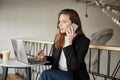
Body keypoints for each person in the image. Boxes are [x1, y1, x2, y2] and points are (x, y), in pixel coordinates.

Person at [37, 8, 90, 80]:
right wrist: (44, 58)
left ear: (74, 24)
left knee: (46, 74)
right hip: (59, 73)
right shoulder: (58, 38)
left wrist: (68, 43)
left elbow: (74, 66)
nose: (59, 25)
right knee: (47, 74)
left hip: (74, 76)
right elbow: (55, 60)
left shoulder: (83, 41)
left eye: (64, 22)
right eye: (59, 22)